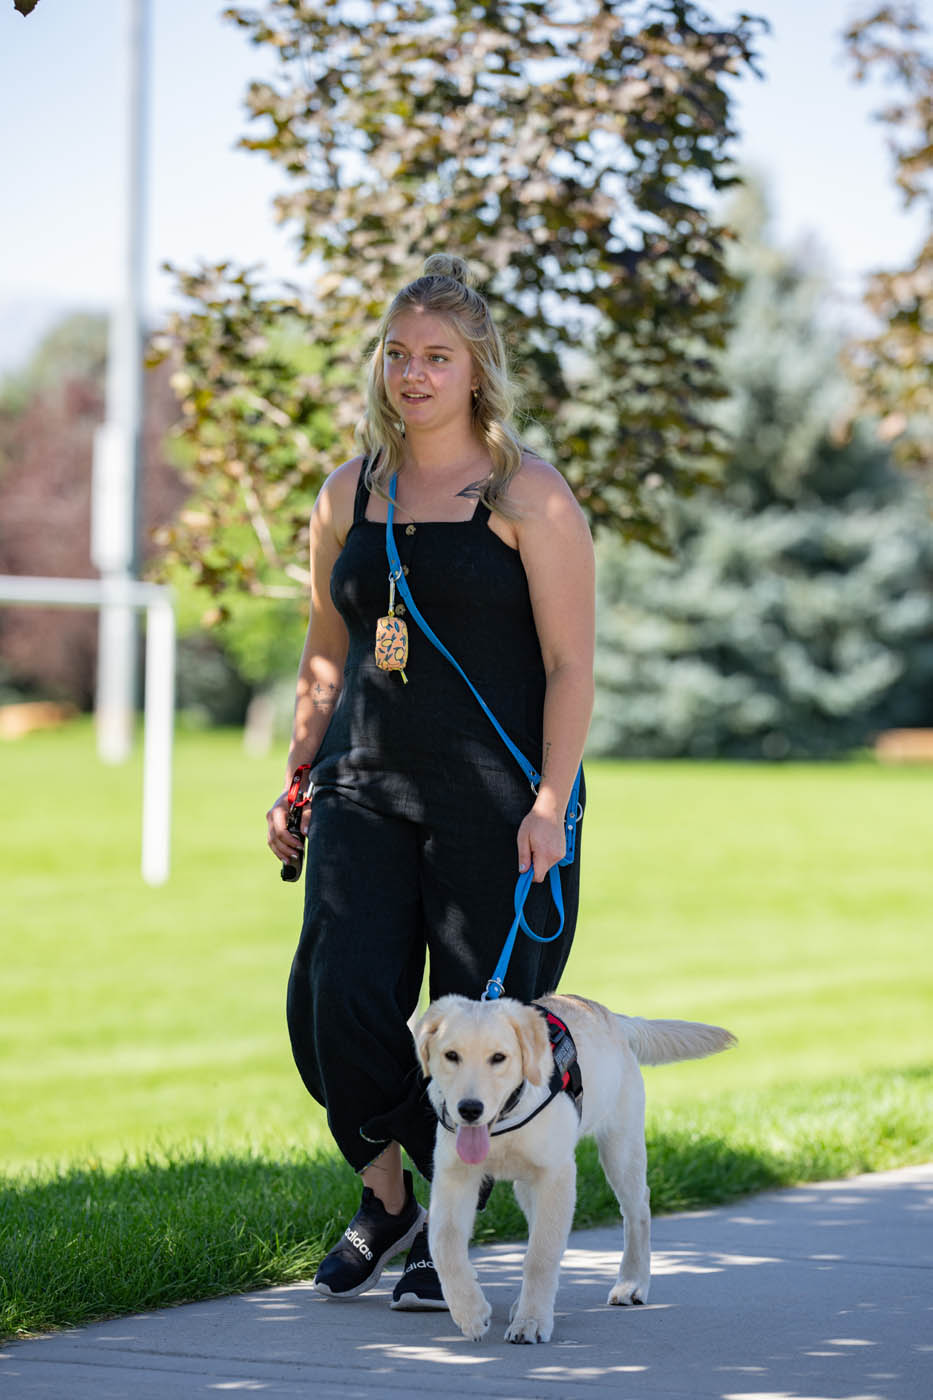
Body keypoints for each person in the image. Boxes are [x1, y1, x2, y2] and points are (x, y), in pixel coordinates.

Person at [266, 252, 595, 1310]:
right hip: (362, 787)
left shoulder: (527, 493)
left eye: (437, 357)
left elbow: (570, 664)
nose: (413, 374)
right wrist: (298, 771)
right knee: (334, 1008)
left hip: (494, 805)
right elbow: (327, 648)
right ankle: (395, 1191)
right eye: (399, 354)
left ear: (476, 369)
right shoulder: (347, 491)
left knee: (479, 1030)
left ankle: (431, 1221)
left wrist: (550, 801)